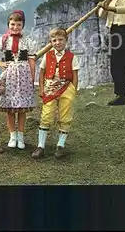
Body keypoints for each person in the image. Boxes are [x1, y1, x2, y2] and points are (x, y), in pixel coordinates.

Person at [32, 27, 79, 159]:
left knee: (65, 116)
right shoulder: (47, 56)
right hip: (50, 88)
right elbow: (41, 73)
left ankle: (60, 145)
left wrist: (73, 90)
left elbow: (75, 75)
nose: (57, 42)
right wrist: (41, 89)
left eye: (60, 39)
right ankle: (41, 146)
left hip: (66, 88)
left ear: (66, 40)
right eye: (54, 40)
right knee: (46, 115)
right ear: (50, 42)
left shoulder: (71, 57)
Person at [0, 10, 36, 149]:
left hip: (23, 76)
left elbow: (32, 62)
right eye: (12, 24)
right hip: (9, 76)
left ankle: (21, 137)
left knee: (22, 109)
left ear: (22, 25)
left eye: (18, 24)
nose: (15, 27)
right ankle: (12, 136)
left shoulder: (28, 41)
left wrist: (32, 78)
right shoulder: (3, 40)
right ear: (8, 24)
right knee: (10, 108)